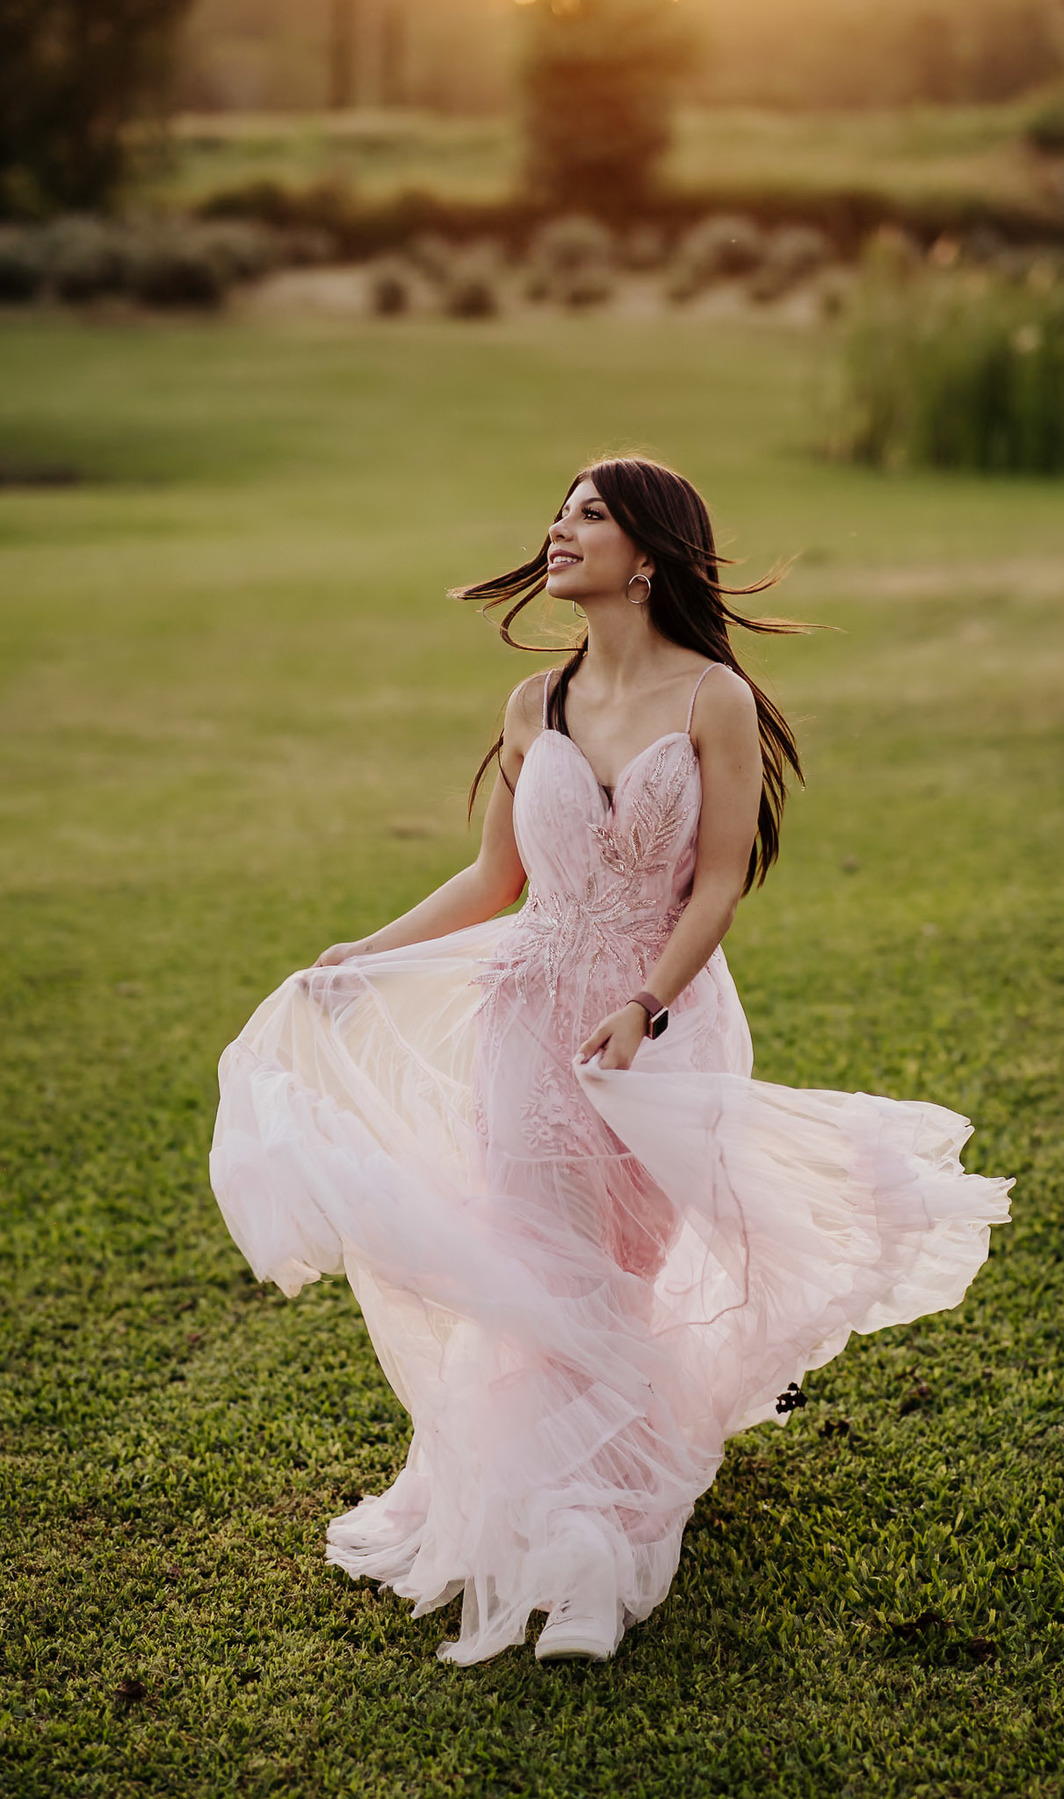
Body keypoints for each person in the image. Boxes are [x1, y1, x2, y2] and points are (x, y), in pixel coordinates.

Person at [210, 456, 1011, 1667]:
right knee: (542, 1266)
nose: (557, 527)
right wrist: (363, 951)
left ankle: (598, 1538)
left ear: (647, 556)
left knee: (618, 1273)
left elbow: (723, 882)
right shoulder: (532, 703)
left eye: (588, 513)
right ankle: (565, 1539)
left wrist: (645, 1001)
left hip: (660, 1022)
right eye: (558, 510)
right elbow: (496, 881)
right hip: (526, 1017)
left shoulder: (713, 702)